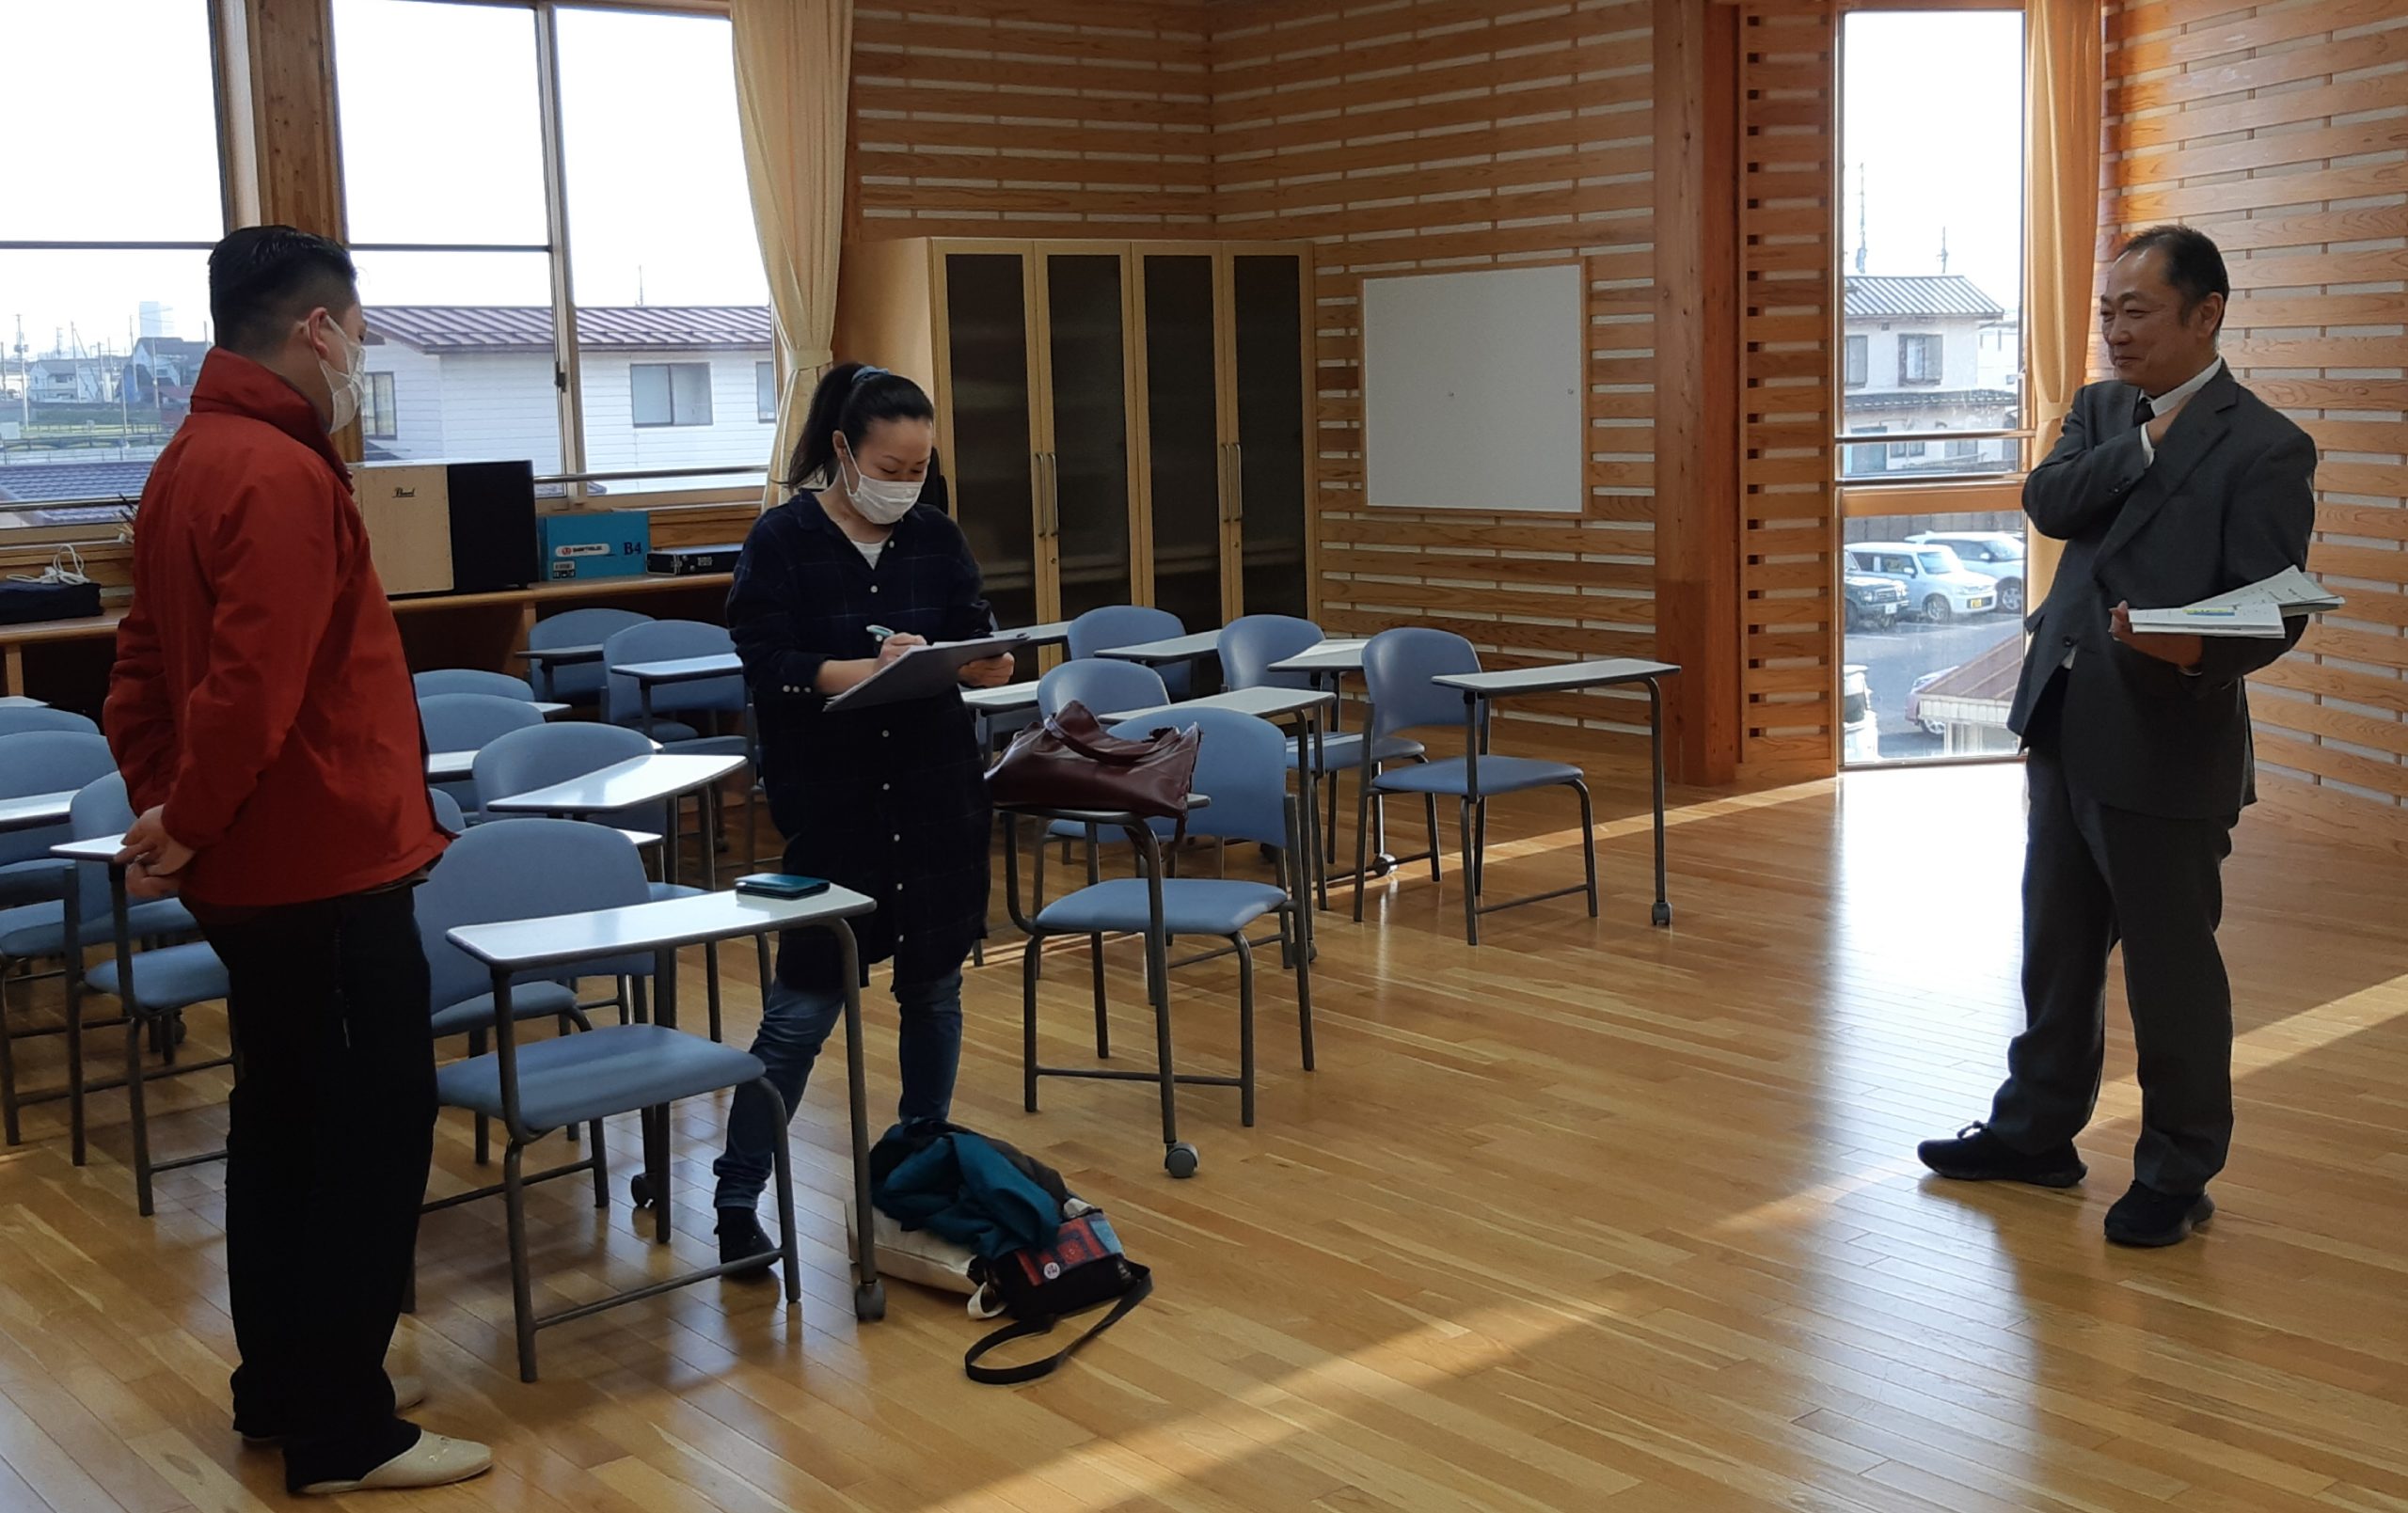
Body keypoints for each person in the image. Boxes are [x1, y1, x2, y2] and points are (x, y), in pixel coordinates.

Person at [104, 227, 492, 1493]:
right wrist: (188, 814)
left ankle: (287, 1383)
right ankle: (341, 1427)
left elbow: (140, 666)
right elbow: (250, 687)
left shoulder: (190, 454)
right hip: (316, 864)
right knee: (363, 1131)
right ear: (318, 329)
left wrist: (166, 805)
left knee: (283, 1119)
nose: (360, 357)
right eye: (359, 333)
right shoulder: (272, 467)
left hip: (262, 862)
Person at [1918, 225, 2318, 1248]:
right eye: (2107, 311)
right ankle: (2034, 1135)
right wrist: (2141, 444)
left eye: (2136, 310)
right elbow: (2047, 503)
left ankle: (2178, 1171)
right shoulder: (2101, 411)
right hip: (2064, 718)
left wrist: (2190, 646)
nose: (2115, 329)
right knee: (2054, 952)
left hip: (2167, 736)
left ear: (2205, 314)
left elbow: (2276, 608)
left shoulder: (2266, 445)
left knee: (2170, 973)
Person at [712, 362, 1014, 1269]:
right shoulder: (784, 538)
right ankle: (737, 1194)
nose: (906, 483)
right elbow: (767, 659)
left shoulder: (935, 536)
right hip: (836, 805)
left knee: (934, 991)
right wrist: (861, 671)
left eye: (920, 468)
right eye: (890, 466)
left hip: (935, 798)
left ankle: (917, 1170)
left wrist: (981, 663)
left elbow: (970, 626)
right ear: (843, 450)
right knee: (801, 1013)